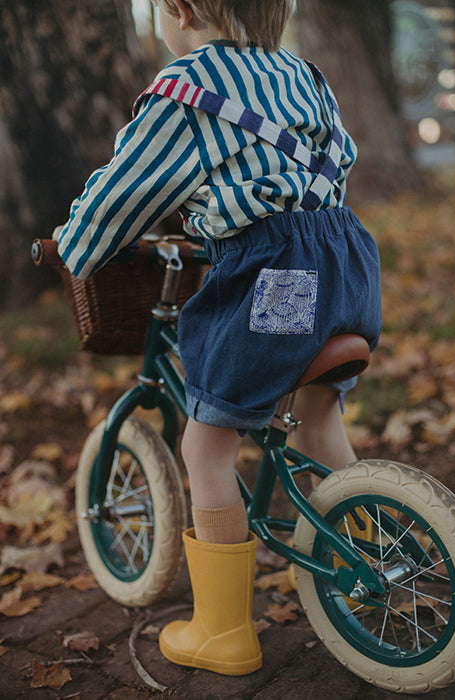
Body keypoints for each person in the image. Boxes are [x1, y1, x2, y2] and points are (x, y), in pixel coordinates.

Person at [56, 0, 382, 677]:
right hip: (347, 264)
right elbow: (332, 167)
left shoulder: (186, 87)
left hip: (274, 277)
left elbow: (124, 191)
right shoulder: (304, 75)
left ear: (179, 9)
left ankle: (223, 631)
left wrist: (74, 247)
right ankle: (365, 563)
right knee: (316, 418)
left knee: (206, 446)